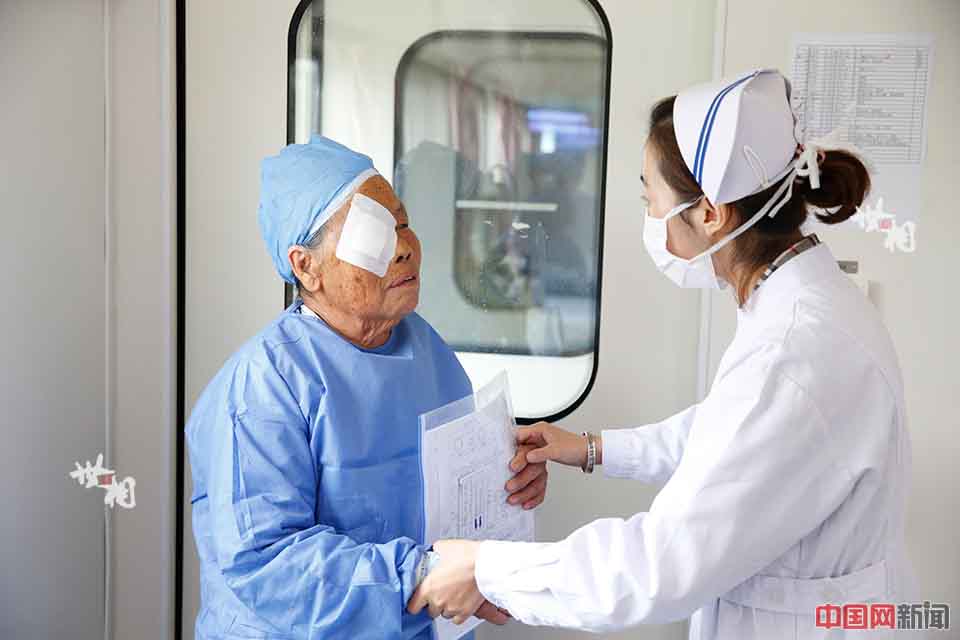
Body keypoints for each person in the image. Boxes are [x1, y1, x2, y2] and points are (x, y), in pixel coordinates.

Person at [408, 69, 916, 638]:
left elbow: (657, 569)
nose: (650, 218)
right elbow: (731, 434)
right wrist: (592, 449)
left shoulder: (794, 350)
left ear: (709, 213)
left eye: (652, 196)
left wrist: (486, 568)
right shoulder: (792, 302)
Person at [186, 135, 547, 639]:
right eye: (372, 232)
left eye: (401, 223)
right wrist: (416, 575)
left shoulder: (425, 350)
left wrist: (508, 486)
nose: (402, 247)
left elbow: (453, 488)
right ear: (305, 266)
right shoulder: (261, 389)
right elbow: (264, 563)